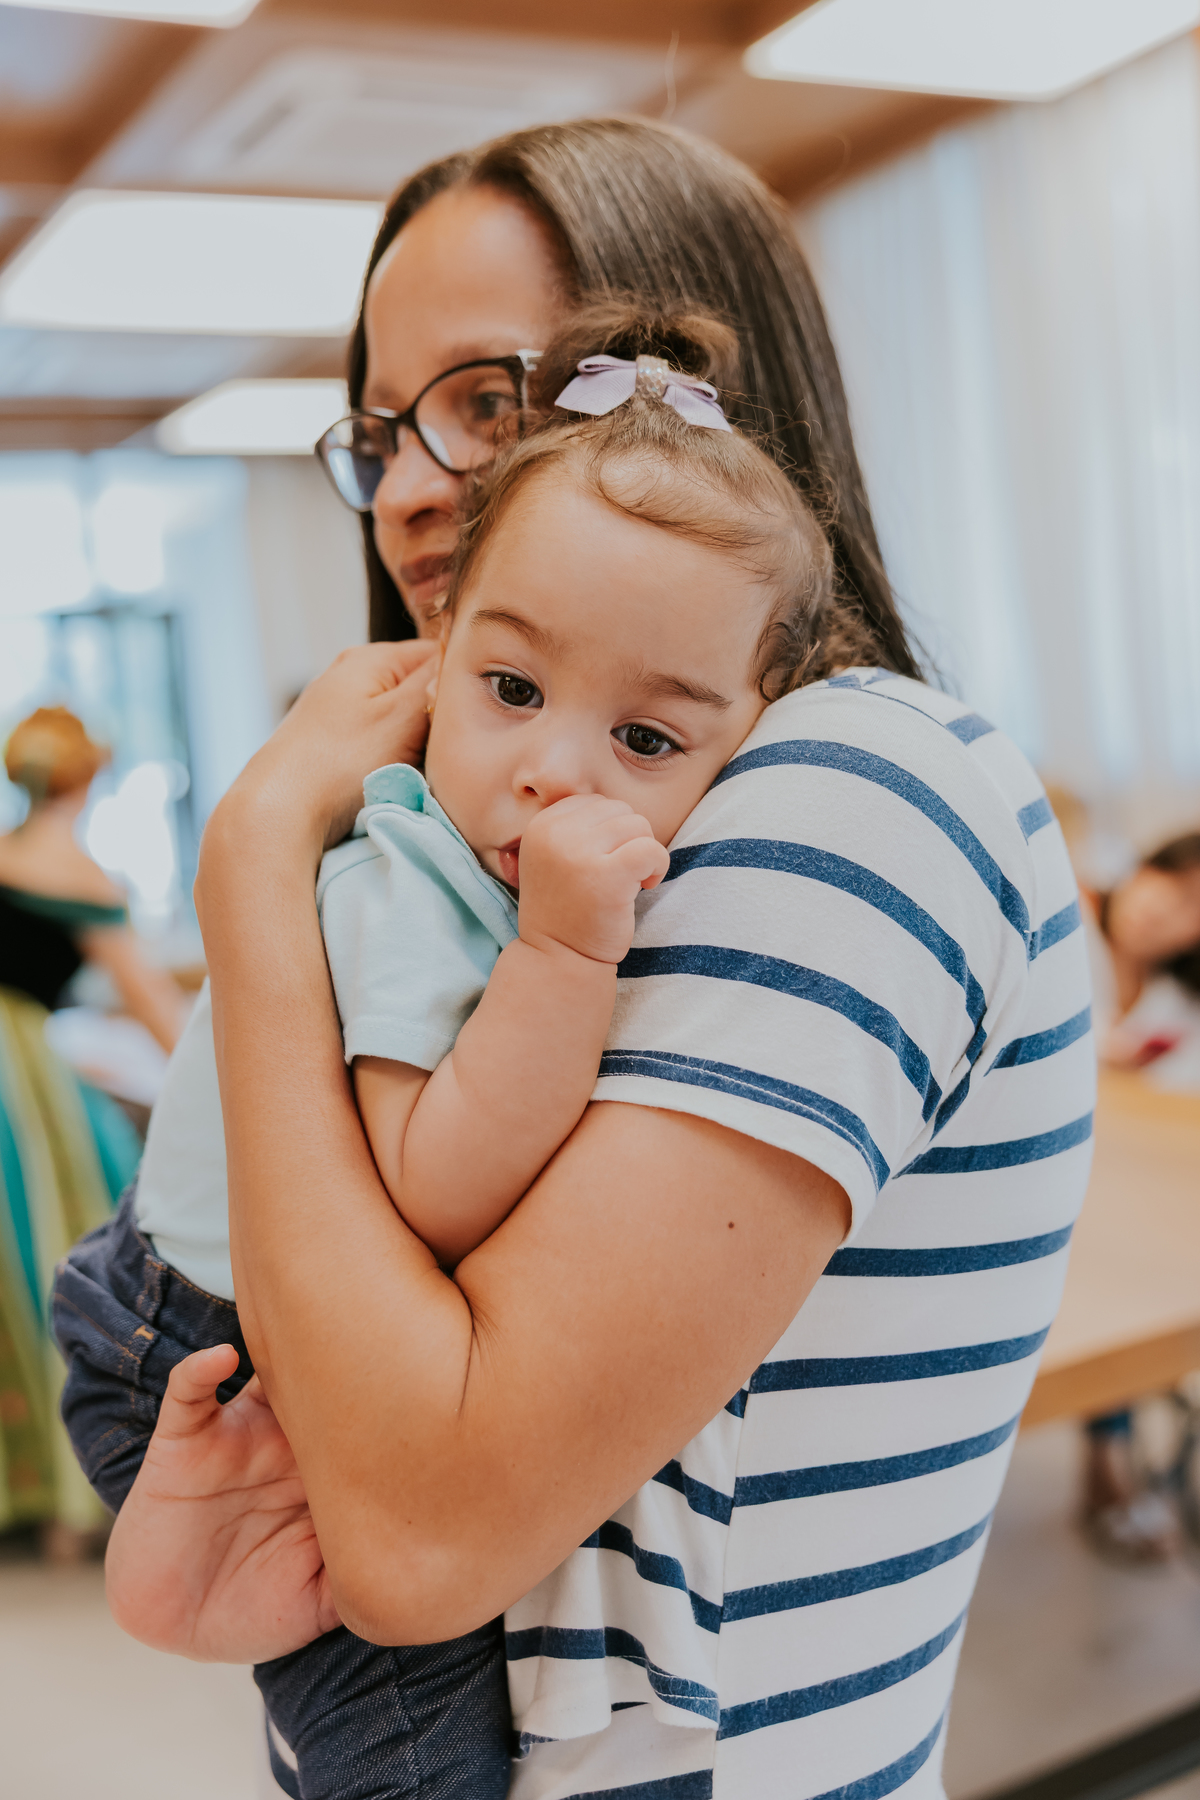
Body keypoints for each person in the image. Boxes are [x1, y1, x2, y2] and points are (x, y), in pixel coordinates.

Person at [92, 120, 1093, 1800]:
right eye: (379, 430)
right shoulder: (580, 816)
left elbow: (414, 1533)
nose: (410, 484)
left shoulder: (852, 782)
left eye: (485, 402)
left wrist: (255, 867)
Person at [56, 305, 840, 1797]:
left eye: (651, 743)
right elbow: (428, 1188)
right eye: (515, 690)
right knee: (433, 1760)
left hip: (214, 1306)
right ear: (437, 652)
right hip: (196, 1334)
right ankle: (224, 1564)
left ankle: (208, 1575)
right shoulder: (412, 874)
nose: (554, 767)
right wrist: (562, 955)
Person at [0, 707, 180, 1551]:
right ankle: (68, 1496)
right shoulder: (78, 874)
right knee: (55, 1250)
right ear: (87, 778)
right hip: (21, 1083)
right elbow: (155, 1009)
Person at [1076, 830, 1200, 1562]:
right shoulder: (1067, 920)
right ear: (1144, 869)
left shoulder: (1176, 995)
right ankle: (1109, 1473)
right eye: (1170, 885)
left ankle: (1112, 1467)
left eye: (1192, 910)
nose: (1167, 913)